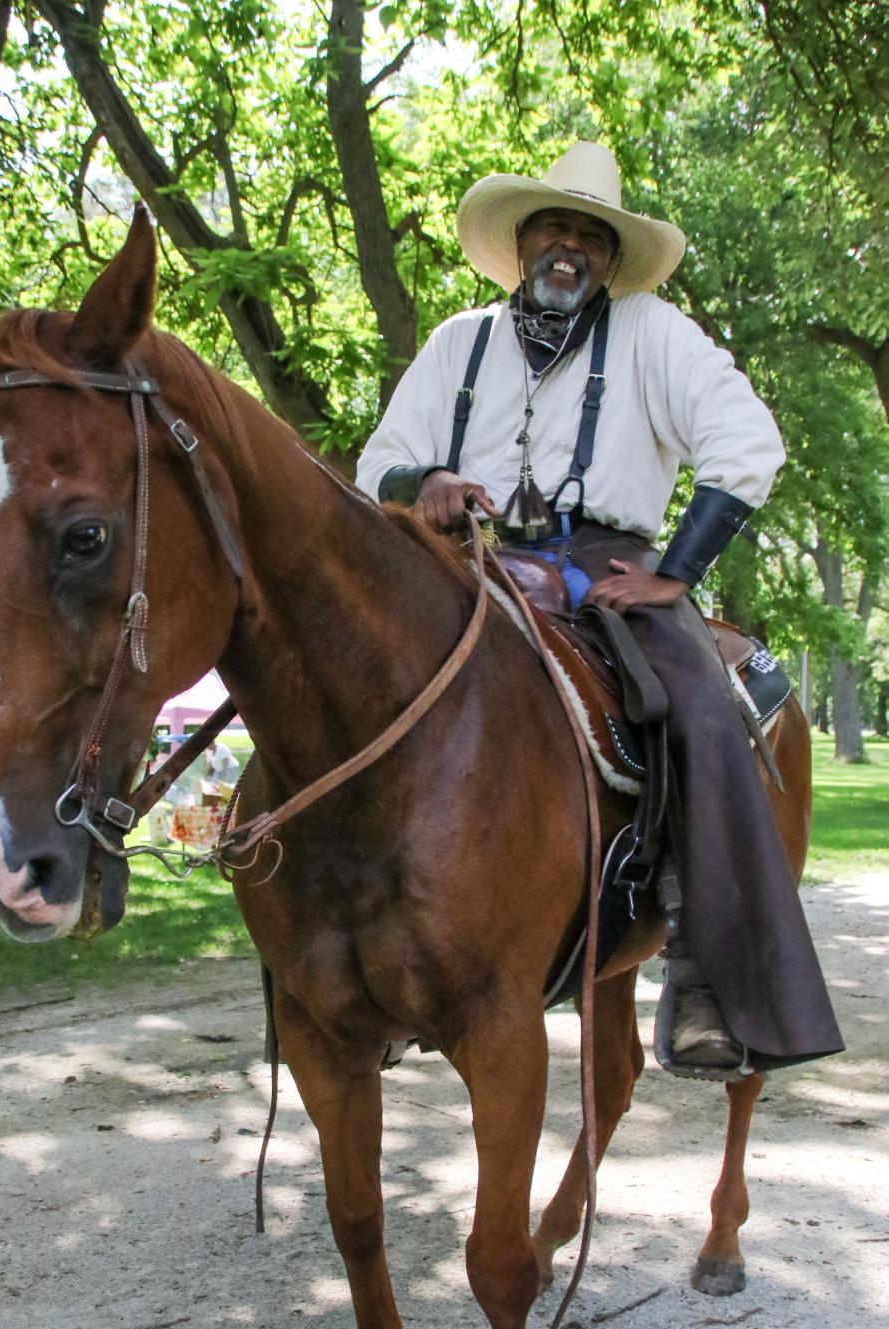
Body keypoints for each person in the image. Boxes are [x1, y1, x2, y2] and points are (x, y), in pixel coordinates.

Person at [356, 140, 842, 1076]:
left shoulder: (656, 334)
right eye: (554, 228)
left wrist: (679, 573)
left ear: (613, 259)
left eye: (590, 234)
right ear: (523, 241)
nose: (569, 246)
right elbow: (380, 458)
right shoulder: (459, 342)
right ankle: (361, 944)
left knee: (701, 702)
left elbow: (748, 442)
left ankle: (707, 974)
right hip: (465, 565)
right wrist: (430, 482)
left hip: (603, 571)